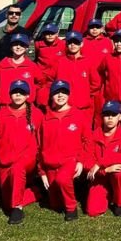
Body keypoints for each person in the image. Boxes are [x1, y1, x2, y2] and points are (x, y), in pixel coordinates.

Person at [0, 79, 44, 225]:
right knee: (7, 203)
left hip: (26, 160)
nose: (18, 95)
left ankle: (18, 207)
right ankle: (35, 192)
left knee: (17, 169)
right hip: (5, 161)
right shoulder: (1, 115)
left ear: (28, 96)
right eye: (15, 92)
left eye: (22, 92)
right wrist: (0, 151)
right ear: (10, 95)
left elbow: (41, 138)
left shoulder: (36, 114)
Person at [38, 80, 92, 221]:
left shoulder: (78, 115)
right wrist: (42, 172)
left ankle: (71, 208)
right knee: (55, 204)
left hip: (70, 160)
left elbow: (88, 140)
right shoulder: (46, 119)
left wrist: (81, 161)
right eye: (56, 93)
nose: (60, 95)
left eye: (64, 92)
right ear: (51, 96)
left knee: (62, 180)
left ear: (69, 95)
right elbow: (40, 146)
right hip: (50, 163)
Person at [85, 100, 121, 217]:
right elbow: (87, 160)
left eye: (114, 114)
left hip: (116, 175)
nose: (110, 118)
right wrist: (105, 170)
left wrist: (100, 163)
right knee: (92, 211)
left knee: (119, 172)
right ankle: (108, 193)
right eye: (107, 114)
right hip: (99, 177)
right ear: (102, 117)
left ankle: (119, 202)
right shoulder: (94, 135)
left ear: (120, 117)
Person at [52, 30, 101, 126]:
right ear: (66, 44)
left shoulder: (88, 62)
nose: (73, 45)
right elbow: (50, 81)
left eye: (76, 42)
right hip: (64, 108)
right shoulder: (59, 62)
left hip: (83, 108)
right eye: (70, 42)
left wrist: (84, 95)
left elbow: (96, 83)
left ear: (81, 44)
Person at [0, 33, 45, 108]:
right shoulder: (2, 65)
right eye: (15, 44)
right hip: (5, 105)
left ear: (26, 47)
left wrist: (31, 91)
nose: (18, 47)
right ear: (11, 47)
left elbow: (41, 82)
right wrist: (0, 93)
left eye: (22, 44)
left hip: (25, 106)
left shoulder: (31, 66)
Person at [0, 4, 30, 75]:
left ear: (20, 16)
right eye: (11, 13)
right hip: (0, 70)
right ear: (6, 15)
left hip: (19, 71)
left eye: (17, 13)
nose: (14, 15)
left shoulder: (26, 33)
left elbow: (30, 55)